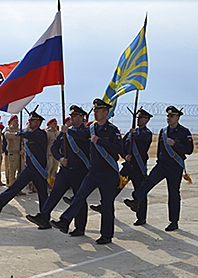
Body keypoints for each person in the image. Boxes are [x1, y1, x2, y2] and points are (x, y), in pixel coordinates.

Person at [50, 99, 123, 245]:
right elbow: (80, 136)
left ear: (105, 113)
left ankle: (106, 235)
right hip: (93, 171)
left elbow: (119, 150)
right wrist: (68, 130)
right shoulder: (91, 129)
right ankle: (65, 221)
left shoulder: (112, 130)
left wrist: (100, 141)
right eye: (94, 110)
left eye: (98, 110)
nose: (95, 112)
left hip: (108, 172)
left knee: (107, 204)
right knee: (79, 197)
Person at [124, 106, 194, 232]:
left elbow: (189, 150)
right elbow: (159, 149)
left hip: (175, 167)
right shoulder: (163, 131)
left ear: (178, 117)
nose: (169, 118)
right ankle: (136, 200)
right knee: (147, 183)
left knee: (173, 194)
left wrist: (175, 144)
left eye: (171, 116)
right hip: (162, 165)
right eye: (168, 116)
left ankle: (174, 221)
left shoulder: (184, 132)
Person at [26, 106, 90, 233]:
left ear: (82, 117)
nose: (72, 118)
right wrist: (60, 158)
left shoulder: (85, 131)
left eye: (75, 116)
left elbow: (83, 136)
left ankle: (79, 227)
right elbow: (54, 148)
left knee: (79, 199)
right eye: (71, 116)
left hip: (80, 171)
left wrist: (68, 132)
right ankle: (43, 217)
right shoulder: (65, 132)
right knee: (54, 194)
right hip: (65, 170)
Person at [91, 108, 153, 226]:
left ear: (147, 120)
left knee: (140, 192)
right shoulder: (131, 133)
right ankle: (104, 206)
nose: (139, 120)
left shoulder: (146, 133)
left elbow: (141, 137)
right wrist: (125, 156)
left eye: (142, 118)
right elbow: (122, 147)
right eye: (138, 117)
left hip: (139, 168)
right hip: (128, 167)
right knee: (114, 187)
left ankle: (141, 217)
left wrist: (134, 132)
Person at [0, 111, 48, 214]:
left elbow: (28, 134)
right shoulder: (29, 133)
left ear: (39, 123)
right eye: (29, 121)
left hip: (39, 169)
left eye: (32, 121)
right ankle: (0, 203)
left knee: (43, 194)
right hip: (29, 168)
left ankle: (44, 217)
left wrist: (18, 132)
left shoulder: (40, 134)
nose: (29, 123)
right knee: (15, 186)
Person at [4, 114, 24, 188]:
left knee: (20, 172)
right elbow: (7, 135)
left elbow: (22, 142)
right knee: (12, 172)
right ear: (11, 122)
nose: (16, 122)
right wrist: (16, 134)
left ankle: (18, 188)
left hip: (19, 153)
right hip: (12, 153)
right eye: (15, 121)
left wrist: (22, 149)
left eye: (17, 121)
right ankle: (12, 187)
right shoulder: (9, 130)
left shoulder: (19, 130)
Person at [45, 118, 60, 188]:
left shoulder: (57, 132)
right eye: (53, 123)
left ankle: (51, 184)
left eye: (56, 123)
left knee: (54, 170)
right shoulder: (47, 132)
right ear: (49, 125)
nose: (55, 125)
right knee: (49, 170)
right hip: (49, 154)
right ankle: (46, 184)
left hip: (56, 154)